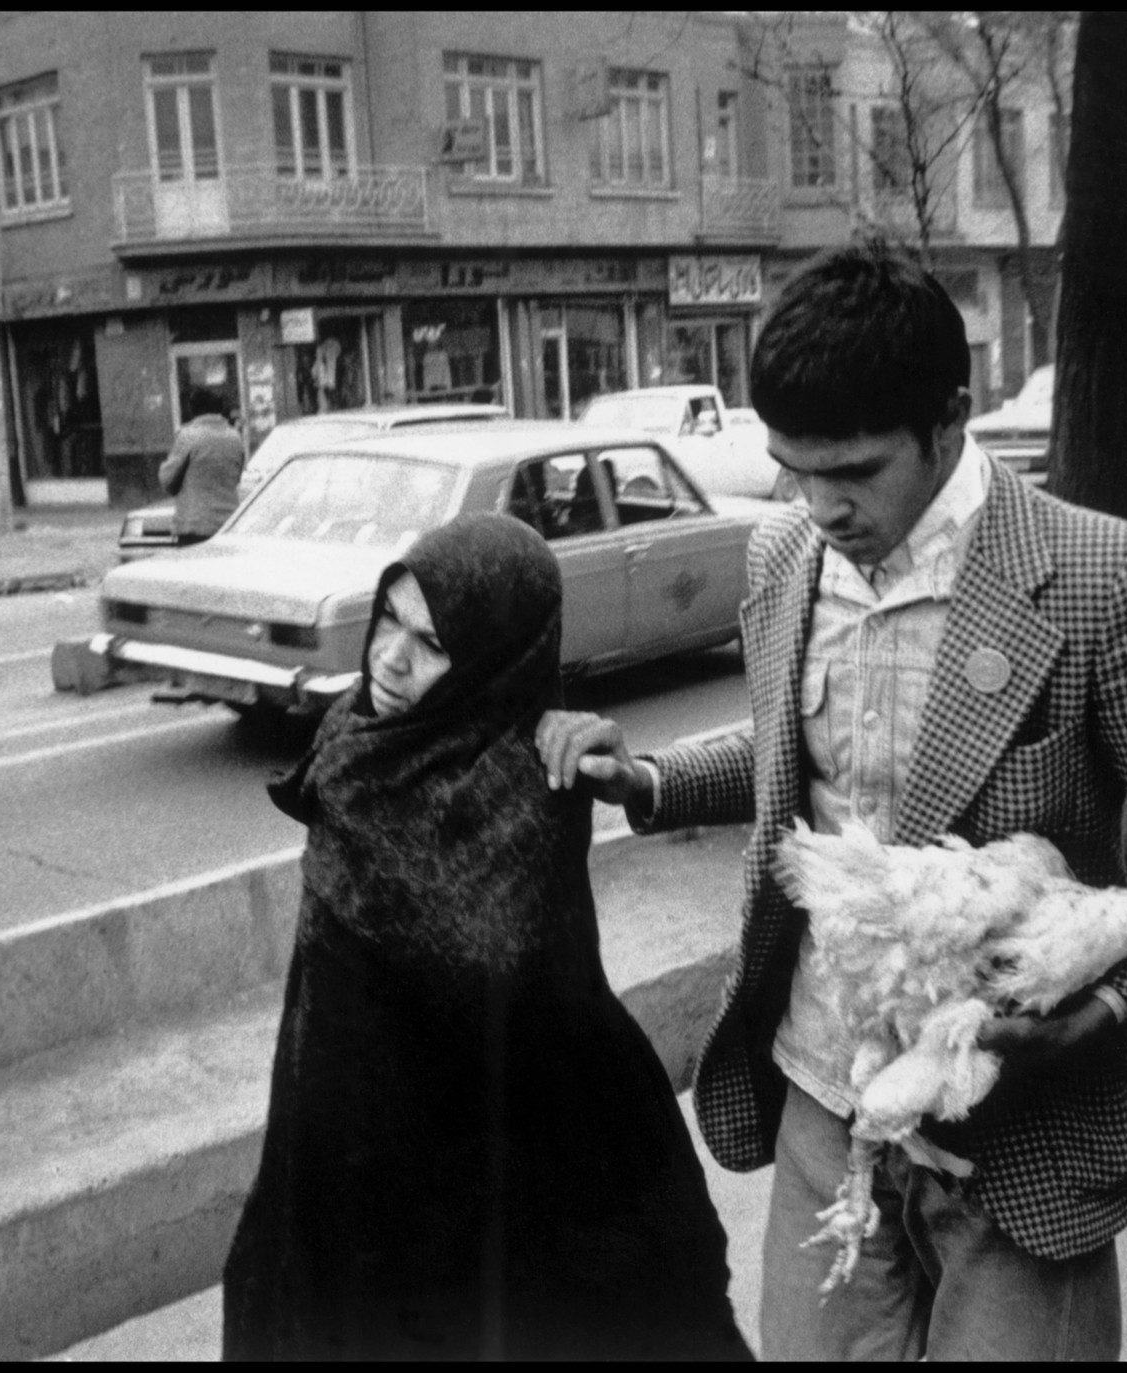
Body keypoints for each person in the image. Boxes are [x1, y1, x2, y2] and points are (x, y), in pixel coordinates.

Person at [538, 241, 1127, 1361]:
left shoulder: (1100, 577)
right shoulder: (783, 557)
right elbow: (801, 755)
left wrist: (1104, 1012)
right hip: (823, 1090)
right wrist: (648, 779)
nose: (820, 504)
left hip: (1016, 1113)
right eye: (793, 469)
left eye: (853, 470)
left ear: (948, 419)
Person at [223, 513, 752, 1362]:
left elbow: (528, 1005)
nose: (390, 659)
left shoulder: (533, 781)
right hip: (341, 1140)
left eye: (432, 643)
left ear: (497, 659)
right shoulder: (351, 740)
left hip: (505, 1173)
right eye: (388, 620)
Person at [158, 389, 246, 544]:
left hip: (194, 526)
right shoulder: (235, 437)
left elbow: (167, 479)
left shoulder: (189, 436)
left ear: (193, 409)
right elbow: (236, 478)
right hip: (229, 523)